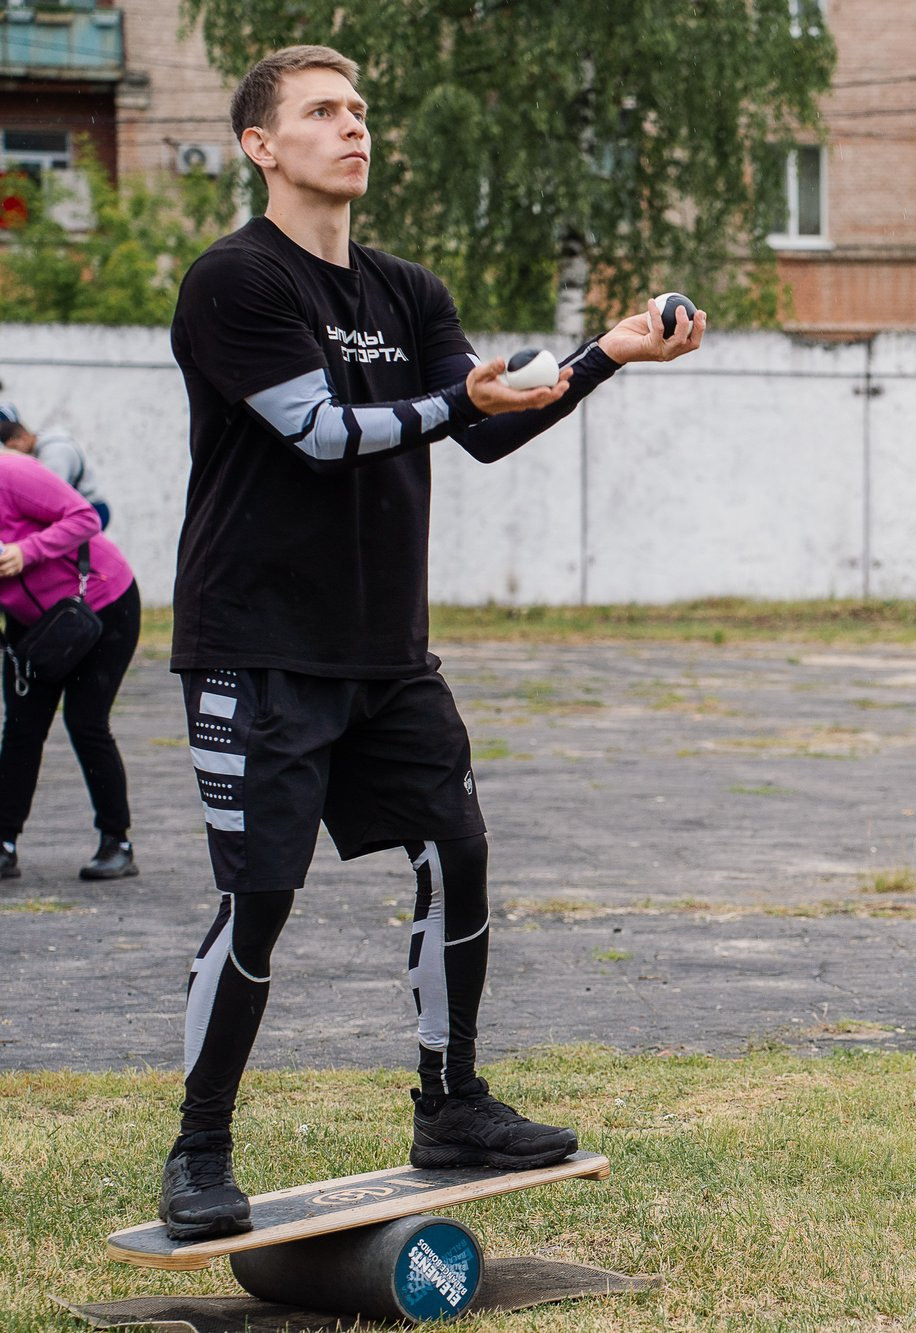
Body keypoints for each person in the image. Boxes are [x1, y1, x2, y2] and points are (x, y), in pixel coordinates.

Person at [157, 45, 706, 1240]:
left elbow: (485, 429)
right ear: (261, 145)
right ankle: (199, 1146)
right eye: (320, 112)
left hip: (384, 653)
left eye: (358, 110)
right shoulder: (233, 282)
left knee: (454, 849)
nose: (352, 128)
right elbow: (317, 430)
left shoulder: (406, 291)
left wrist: (606, 352)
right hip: (255, 650)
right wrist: (465, 400)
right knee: (260, 898)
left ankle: (449, 1104)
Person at [0, 450, 140, 881]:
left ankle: (117, 842)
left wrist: (27, 551)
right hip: (32, 623)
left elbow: (84, 518)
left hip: (101, 606)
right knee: (22, 729)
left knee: (86, 722)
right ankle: (4, 844)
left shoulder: (12, 472)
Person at [0, 417, 112, 530]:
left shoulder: (55, 453)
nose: (14, 454)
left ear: (23, 438)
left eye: (14, 447)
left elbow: (50, 495)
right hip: (83, 509)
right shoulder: (43, 449)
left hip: (91, 509)